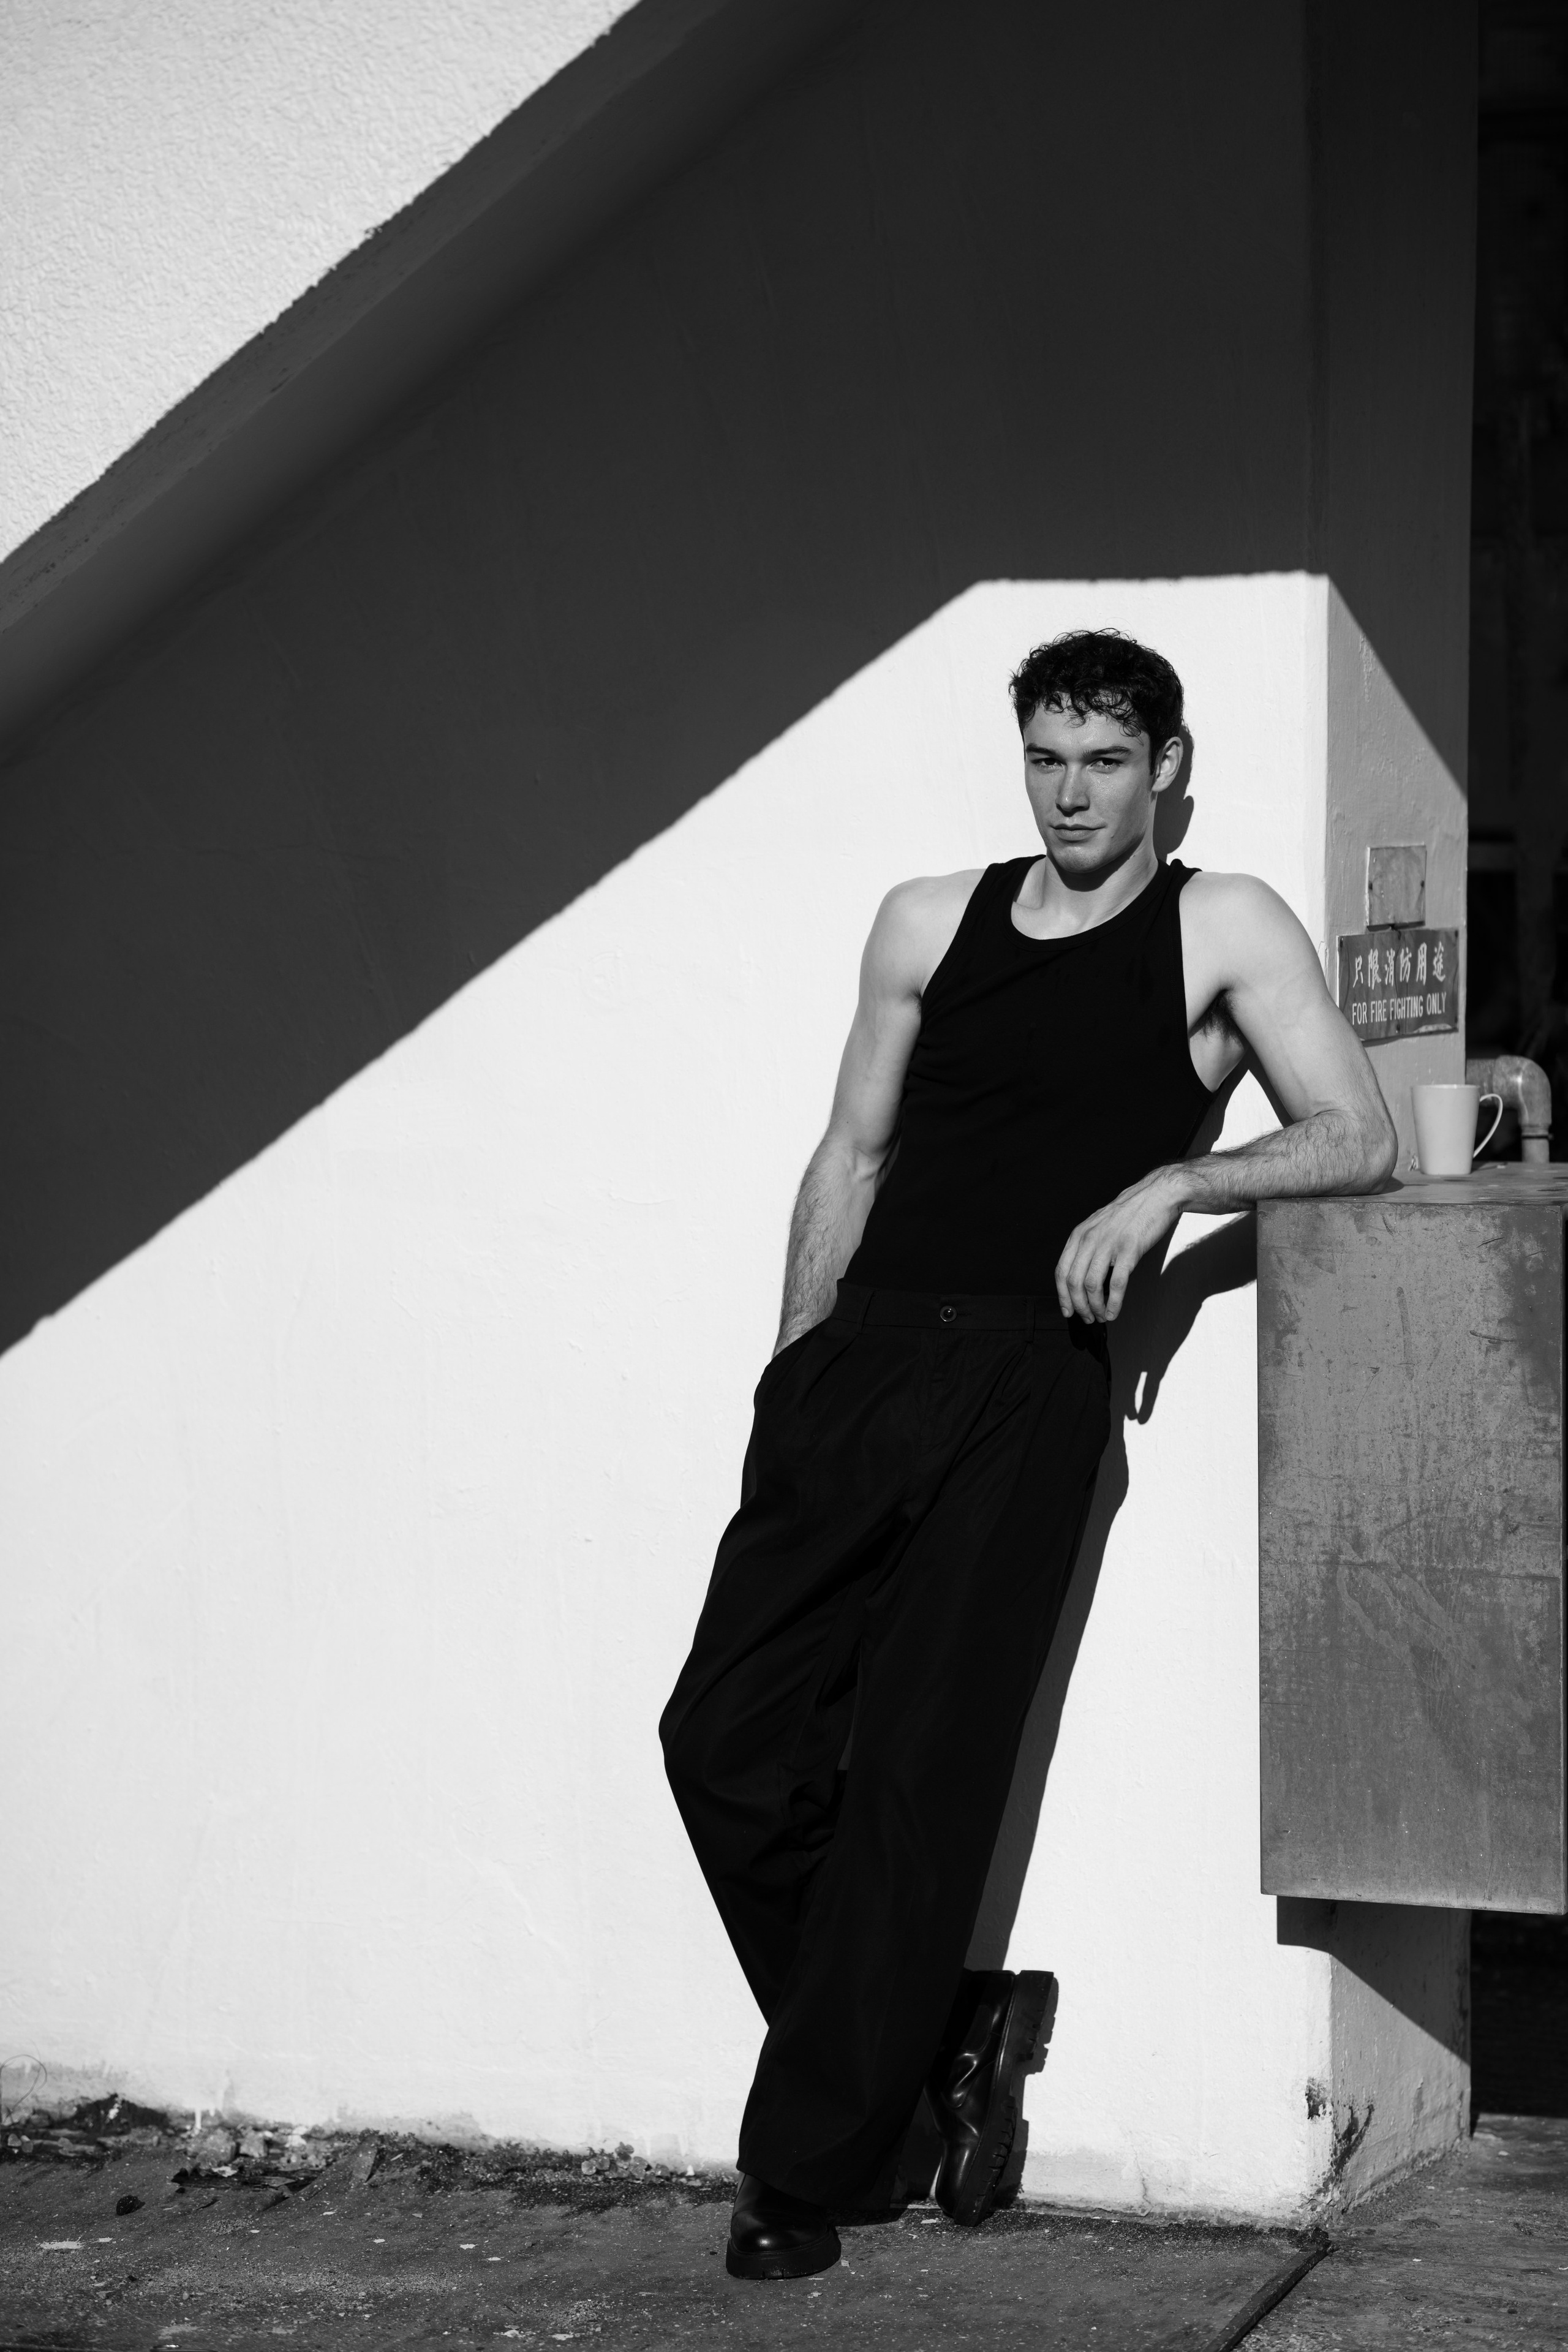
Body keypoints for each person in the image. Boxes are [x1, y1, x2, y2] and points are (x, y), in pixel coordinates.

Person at [660, 630, 1396, 2282]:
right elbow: (851, 1150)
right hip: (861, 1367)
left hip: (1028, 1385)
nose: (1075, 794)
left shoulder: (1221, 925)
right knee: (721, 1737)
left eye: (1107, 762)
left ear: (1167, 767)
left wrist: (1170, 1192)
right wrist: (791, 1374)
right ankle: (948, 2028)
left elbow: (1354, 1131)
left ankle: (811, 2169)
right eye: (1049, 761)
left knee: (922, 1772)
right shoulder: (931, 918)